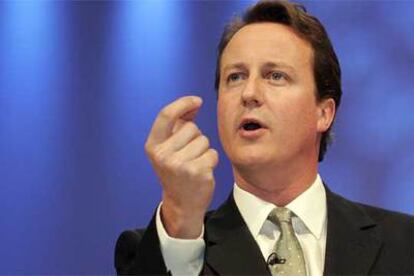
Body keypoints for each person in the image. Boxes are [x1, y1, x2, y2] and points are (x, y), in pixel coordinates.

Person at [115, 0, 414, 275]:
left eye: (275, 76)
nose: (249, 93)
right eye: (235, 77)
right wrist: (181, 220)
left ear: (323, 112)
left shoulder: (404, 244)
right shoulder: (165, 249)